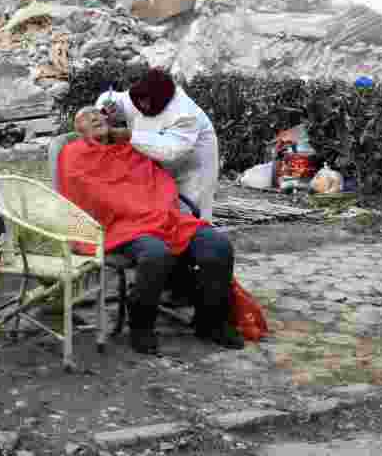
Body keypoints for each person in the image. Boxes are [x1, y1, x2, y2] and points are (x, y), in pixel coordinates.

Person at [58, 106, 243, 355]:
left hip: (163, 217)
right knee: (156, 254)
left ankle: (211, 322)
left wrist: (154, 207)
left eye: (97, 114)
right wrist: (132, 208)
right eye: (85, 117)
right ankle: (141, 325)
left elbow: (158, 180)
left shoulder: (131, 148)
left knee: (217, 246)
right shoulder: (74, 153)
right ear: (78, 130)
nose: (94, 116)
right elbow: (84, 195)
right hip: (119, 224)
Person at [95, 68, 219, 222]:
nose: (144, 106)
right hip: (159, 167)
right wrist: (107, 108)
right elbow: (114, 99)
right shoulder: (139, 95)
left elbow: (170, 149)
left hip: (193, 167)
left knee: (192, 215)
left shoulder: (184, 113)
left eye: (148, 102)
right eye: (140, 102)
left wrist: (129, 135)